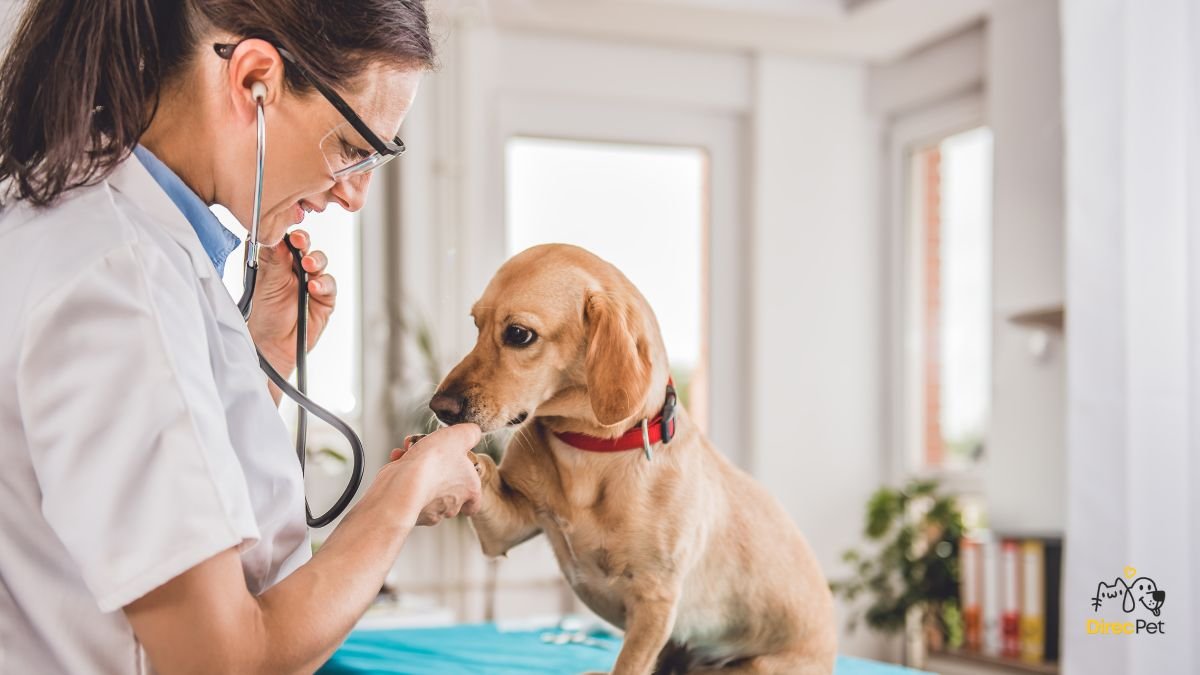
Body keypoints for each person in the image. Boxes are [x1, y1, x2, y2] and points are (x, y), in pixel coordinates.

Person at [0, 1, 483, 673]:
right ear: (254, 79)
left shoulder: (105, 237)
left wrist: (263, 360)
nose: (355, 196)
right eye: (352, 149)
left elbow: (153, 494)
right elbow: (222, 658)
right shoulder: (116, 282)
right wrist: (403, 491)